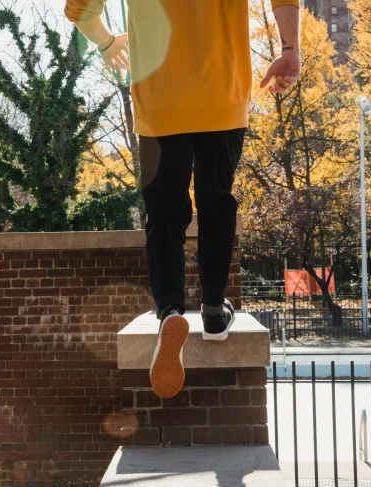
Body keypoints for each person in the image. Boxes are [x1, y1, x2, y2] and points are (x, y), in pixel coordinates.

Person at [65, 0, 300, 398]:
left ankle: (171, 311)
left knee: (165, 213)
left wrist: (105, 43)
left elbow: (79, 9)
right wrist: (290, 50)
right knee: (216, 203)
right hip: (222, 95)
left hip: (160, 99)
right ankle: (212, 309)